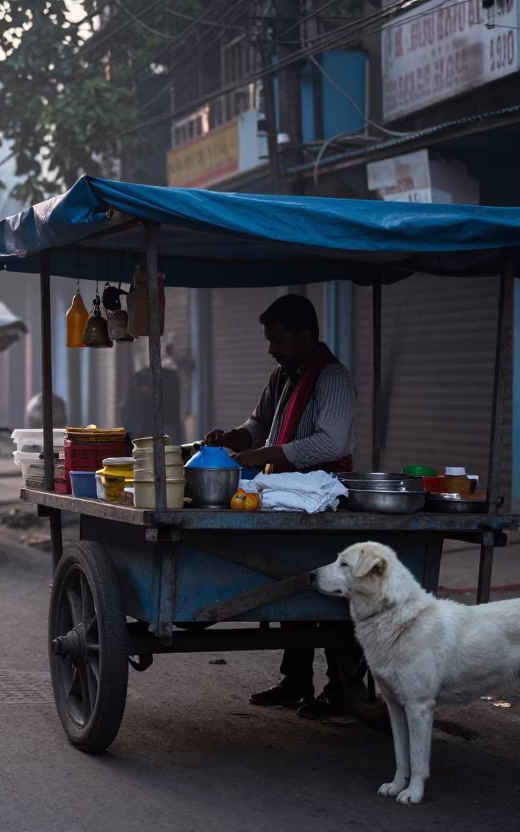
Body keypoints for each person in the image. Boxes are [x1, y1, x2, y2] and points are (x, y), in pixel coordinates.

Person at [202, 294, 357, 720]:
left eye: (279, 342)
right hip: (288, 495)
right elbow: (258, 422)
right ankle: (295, 681)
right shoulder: (282, 376)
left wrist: (264, 455)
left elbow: (330, 443)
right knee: (289, 576)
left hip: (324, 497)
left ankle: (342, 689)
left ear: (306, 337)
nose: (272, 350)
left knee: (328, 592)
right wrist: (236, 438)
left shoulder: (333, 379)